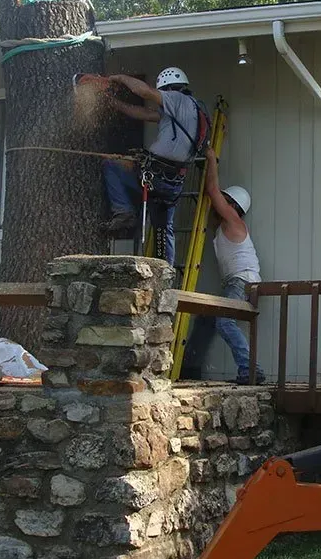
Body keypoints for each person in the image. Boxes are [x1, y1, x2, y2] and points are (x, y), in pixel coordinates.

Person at [101, 67, 208, 264]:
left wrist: (120, 77)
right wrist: (114, 104)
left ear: (167, 89)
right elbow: (143, 113)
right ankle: (164, 268)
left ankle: (124, 211)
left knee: (111, 165)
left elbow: (144, 93)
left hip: (155, 175)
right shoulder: (191, 109)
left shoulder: (175, 99)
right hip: (173, 180)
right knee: (162, 227)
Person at [189, 147, 265, 385]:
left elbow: (212, 190)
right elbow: (210, 195)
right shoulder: (224, 226)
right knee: (206, 318)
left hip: (242, 281)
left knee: (224, 322)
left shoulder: (234, 220)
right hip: (240, 281)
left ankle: (250, 369)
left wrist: (211, 159)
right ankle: (189, 368)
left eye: (225, 200)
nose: (217, 203)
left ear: (233, 205)